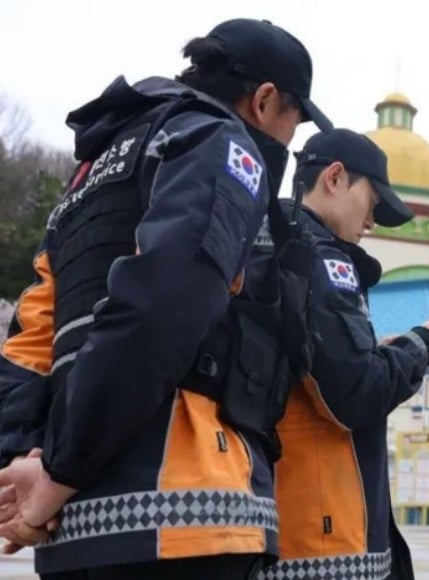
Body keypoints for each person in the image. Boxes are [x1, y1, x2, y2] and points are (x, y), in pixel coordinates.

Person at [0, 17, 332, 579]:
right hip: (185, 517)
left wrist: (21, 467)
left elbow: (28, 345)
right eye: (294, 121)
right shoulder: (221, 142)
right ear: (265, 100)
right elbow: (161, 306)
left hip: (75, 530)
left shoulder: (85, 182)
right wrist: (57, 472)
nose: (291, 141)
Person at [244, 129, 429, 580]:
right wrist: (426, 342)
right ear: (334, 178)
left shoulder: (267, 239)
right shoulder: (320, 257)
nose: (371, 222)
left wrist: (381, 351)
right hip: (323, 534)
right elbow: (354, 391)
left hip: (277, 516)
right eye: (372, 203)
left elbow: (309, 366)